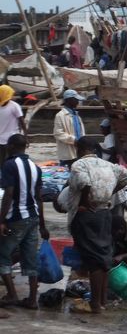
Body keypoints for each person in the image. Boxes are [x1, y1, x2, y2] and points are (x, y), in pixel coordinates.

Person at [67, 137, 127, 314]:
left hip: (87, 214)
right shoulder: (108, 165)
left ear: (80, 149)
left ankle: (95, 304)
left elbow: (84, 182)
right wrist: (110, 191)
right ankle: (102, 301)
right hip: (105, 212)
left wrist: (84, 200)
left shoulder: (79, 165)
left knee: (94, 261)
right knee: (103, 259)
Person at [0, 134, 49, 310]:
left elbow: (9, 194)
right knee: (30, 256)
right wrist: (42, 224)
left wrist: (1, 220)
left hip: (16, 217)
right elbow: (39, 197)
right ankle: (32, 299)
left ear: (12, 146)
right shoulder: (35, 167)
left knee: (3, 255)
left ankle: (12, 294)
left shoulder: (9, 165)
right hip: (33, 217)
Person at [53, 89, 86, 167]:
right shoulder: (60, 115)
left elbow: (81, 132)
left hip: (79, 150)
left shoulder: (76, 115)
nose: (78, 102)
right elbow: (58, 133)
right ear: (69, 100)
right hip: (67, 153)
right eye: (76, 100)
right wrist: (74, 140)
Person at [0, 85, 27, 165]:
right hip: (0, 140)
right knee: (2, 162)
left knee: (11, 161)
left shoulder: (14, 106)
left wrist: (25, 136)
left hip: (12, 139)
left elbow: (21, 121)